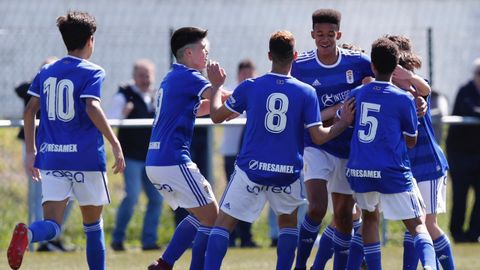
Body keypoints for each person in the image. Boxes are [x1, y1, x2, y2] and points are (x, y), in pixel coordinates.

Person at [204, 30, 355, 270]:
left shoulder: (250, 87)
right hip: (286, 172)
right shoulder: (306, 92)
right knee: (287, 225)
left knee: (223, 224)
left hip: (251, 170)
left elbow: (216, 116)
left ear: (269, 55)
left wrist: (215, 87)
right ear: (295, 56)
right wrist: (343, 122)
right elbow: (318, 136)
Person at [7, 11, 125, 270]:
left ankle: (28, 234)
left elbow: (29, 111)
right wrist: (115, 143)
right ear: (91, 40)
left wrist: (31, 151)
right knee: (94, 226)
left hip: (52, 156)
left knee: (53, 224)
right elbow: (92, 107)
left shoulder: (47, 71)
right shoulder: (94, 71)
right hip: (86, 158)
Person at [291, 9, 374, 270]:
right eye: (319, 34)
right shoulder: (301, 66)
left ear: (339, 35)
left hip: (348, 148)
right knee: (316, 208)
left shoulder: (358, 62)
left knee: (343, 217)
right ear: (312, 35)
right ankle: (301, 264)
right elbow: (297, 107)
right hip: (317, 143)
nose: (324, 39)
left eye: (330, 34)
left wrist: (419, 90)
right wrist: (337, 112)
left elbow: (386, 73)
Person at [346, 37, 436, 270]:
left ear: (373, 66)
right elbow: (411, 141)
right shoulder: (403, 98)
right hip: (391, 170)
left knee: (369, 217)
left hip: (359, 169)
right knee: (417, 223)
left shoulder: (358, 93)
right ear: (396, 65)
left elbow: (345, 121)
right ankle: (428, 266)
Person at [145, 27, 228, 270]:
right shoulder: (190, 76)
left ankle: (164, 263)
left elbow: (202, 107)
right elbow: (216, 97)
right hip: (173, 160)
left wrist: (230, 97)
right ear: (189, 53)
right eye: (204, 50)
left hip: (158, 161)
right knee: (213, 218)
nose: (207, 55)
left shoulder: (173, 76)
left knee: (200, 215)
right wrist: (229, 90)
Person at [384, 35, 455, 270]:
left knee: (428, 224)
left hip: (429, 165)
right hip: (408, 167)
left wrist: (410, 78)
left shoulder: (416, 85)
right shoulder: (390, 91)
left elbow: (425, 89)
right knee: (413, 224)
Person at [15, 57, 75, 253]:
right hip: (38, 152)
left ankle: (50, 238)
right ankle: (29, 241)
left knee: (68, 197)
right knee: (36, 198)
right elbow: (24, 98)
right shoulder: (35, 90)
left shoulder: (66, 90)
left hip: (60, 151)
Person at [108, 59, 164, 251]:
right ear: (134, 76)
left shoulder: (156, 96)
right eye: (142, 75)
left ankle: (149, 241)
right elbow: (111, 120)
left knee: (156, 199)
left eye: (148, 75)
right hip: (131, 156)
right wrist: (123, 113)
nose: (146, 79)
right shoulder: (124, 96)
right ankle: (118, 239)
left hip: (151, 158)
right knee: (131, 197)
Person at [219, 59, 259, 248]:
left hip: (249, 153)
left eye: (250, 74)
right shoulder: (231, 93)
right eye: (244, 74)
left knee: (248, 195)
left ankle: (246, 236)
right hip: (231, 151)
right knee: (232, 194)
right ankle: (229, 235)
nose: (247, 78)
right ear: (238, 75)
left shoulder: (257, 92)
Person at [446, 57, 480, 243]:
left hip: (478, 154)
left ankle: (474, 233)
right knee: (460, 195)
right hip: (460, 154)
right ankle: (457, 233)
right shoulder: (465, 91)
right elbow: (468, 109)